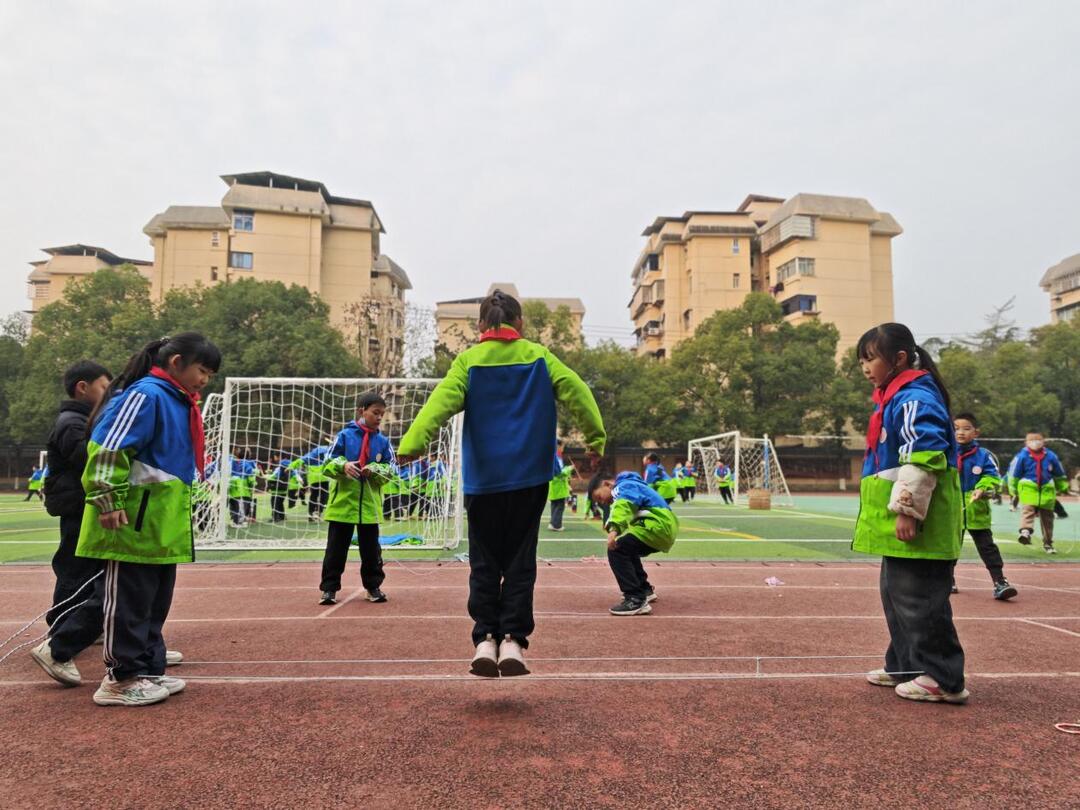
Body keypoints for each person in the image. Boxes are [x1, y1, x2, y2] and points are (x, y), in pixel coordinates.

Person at [398, 289, 605, 678]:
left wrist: (412, 444)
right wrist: (595, 440)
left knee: (484, 561)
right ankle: (513, 640)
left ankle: (484, 639)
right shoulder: (540, 357)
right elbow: (578, 391)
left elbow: (438, 404)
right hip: (529, 479)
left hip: (484, 482)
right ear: (520, 323)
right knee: (520, 559)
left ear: (480, 325)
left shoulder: (468, 362)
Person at [75, 333, 219, 706]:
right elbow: (108, 447)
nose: (205, 380)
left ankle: (148, 668)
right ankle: (120, 678)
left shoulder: (178, 401)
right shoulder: (146, 396)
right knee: (129, 602)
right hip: (131, 521)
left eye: (210, 375)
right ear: (177, 362)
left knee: (154, 602)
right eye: (202, 371)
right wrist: (107, 498)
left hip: (161, 523)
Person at [853, 323, 967, 704]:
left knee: (920, 601)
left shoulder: (915, 398)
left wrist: (908, 511)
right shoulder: (893, 399)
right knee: (897, 597)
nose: (865, 368)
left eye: (870, 359)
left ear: (899, 358)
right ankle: (906, 664)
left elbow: (923, 455)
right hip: (900, 523)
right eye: (861, 361)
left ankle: (944, 678)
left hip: (921, 522)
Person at [29, 361, 113, 687]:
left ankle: (76, 626)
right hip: (76, 505)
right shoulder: (71, 422)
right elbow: (85, 458)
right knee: (73, 569)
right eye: (103, 387)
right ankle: (60, 630)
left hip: (81, 503)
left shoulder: (82, 420)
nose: (107, 394)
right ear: (83, 387)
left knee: (85, 568)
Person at [318, 392, 395, 606]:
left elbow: (391, 469)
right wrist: (343, 466)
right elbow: (327, 463)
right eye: (375, 413)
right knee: (335, 551)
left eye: (382, 414)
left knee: (371, 552)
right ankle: (329, 589)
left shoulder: (383, 442)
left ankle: (373, 587)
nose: (379, 418)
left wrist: (376, 469)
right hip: (343, 505)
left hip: (369, 507)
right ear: (362, 411)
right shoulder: (344, 436)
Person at [587, 471, 678, 616]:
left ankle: (635, 598)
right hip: (663, 527)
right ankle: (645, 590)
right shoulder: (633, 484)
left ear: (607, 484)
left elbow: (624, 505)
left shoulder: (624, 486)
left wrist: (614, 529)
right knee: (628, 549)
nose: (602, 502)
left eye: (599, 497)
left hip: (657, 526)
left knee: (617, 550)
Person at [953, 413, 1017, 600]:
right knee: (949, 548)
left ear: (976, 432)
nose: (961, 432)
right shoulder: (945, 452)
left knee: (988, 548)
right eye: (956, 428)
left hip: (977, 512)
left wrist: (981, 488)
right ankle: (947, 579)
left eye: (966, 428)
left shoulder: (983, 456)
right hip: (951, 511)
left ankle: (999, 582)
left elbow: (992, 476)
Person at [1009, 431, 1068, 554]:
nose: (1035, 442)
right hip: (1029, 489)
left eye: (1038, 439)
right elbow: (1014, 475)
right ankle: (1025, 532)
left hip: (1047, 491)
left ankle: (1048, 543)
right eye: (1031, 440)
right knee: (1027, 511)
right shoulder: (1021, 456)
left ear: (1044, 441)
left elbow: (1059, 473)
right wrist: (1013, 489)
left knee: (1048, 519)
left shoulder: (1051, 456)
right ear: (1026, 442)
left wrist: (1063, 486)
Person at [547, 442, 573, 532]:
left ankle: (552, 523)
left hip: (554, 485)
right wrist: (569, 468)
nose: (563, 449)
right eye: (562, 447)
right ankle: (556, 525)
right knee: (559, 506)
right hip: (558, 486)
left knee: (554, 505)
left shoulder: (553, 457)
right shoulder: (557, 458)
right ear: (558, 447)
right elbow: (559, 473)